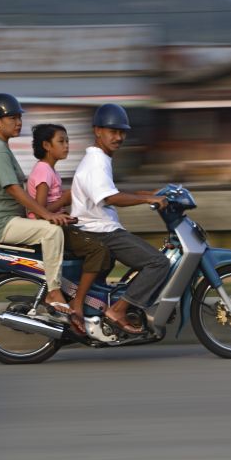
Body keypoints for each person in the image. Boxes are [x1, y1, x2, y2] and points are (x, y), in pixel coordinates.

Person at [0, 93, 74, 317]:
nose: (19, 122)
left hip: (5, 219)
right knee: (52, 232)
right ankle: (54, 292)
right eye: (12, 118)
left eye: (19, 117)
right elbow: (13, 189)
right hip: (0, 222)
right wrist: (47, 214)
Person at [71, 104, 170, 334]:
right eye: (112, 132)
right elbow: (110, 197)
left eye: (122, 132)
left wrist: (142, 194)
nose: (118, 137)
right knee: (158, 262)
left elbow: (107, 190)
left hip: (100, 227)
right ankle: (119, 309)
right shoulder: (96, 161)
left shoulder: (100, 159)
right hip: (100, 231)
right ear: (97, 131)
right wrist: (144, 201)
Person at [26, 123, 112, 334]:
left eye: (67, 141)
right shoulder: (44, 170)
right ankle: (79, 302)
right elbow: (39, 211)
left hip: (59, 223)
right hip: (49, 227)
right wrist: (65, 199)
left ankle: (89, 295)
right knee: (99, 249)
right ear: (47, 145)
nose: (66, 146)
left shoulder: (49, 169)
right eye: (61, 141)